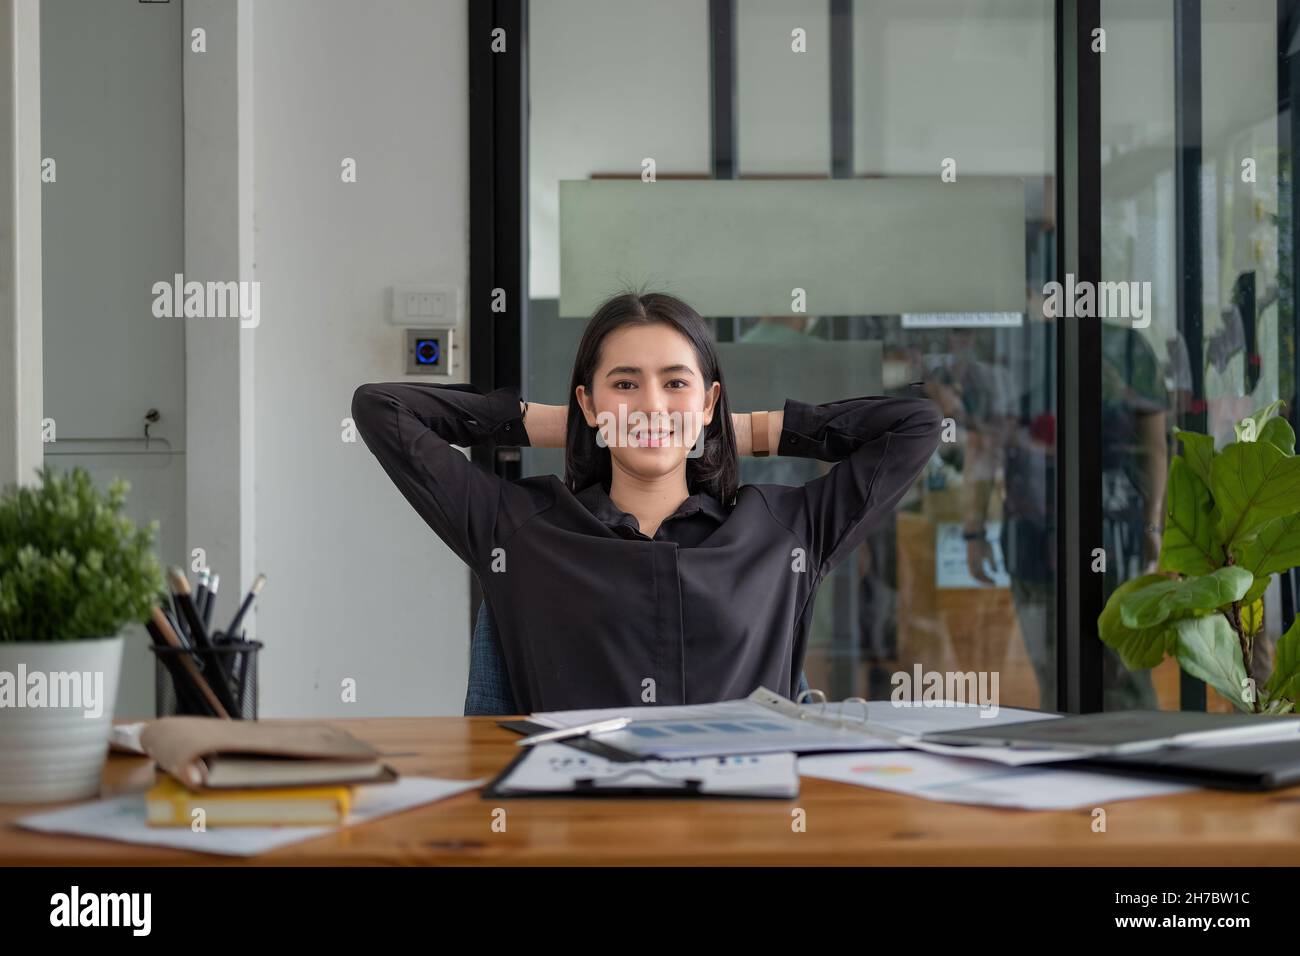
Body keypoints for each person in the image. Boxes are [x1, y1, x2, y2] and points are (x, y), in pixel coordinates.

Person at [352, 291, 942, 711]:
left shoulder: (785, 529)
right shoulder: (521, 526)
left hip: (742, 834)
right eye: (625, 384)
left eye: (676, 383)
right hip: (575, 832)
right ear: (587, 401)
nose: (653, 405)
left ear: (711, 402)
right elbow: (382, 409)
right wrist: (572, 426)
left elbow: (915, 424)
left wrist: (737, 429)